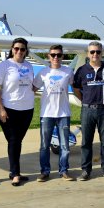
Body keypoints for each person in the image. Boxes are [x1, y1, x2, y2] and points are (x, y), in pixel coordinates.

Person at [73, 41, 104, 181]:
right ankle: (86, 170)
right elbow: (75, 89)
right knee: (86, 142)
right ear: (88, 54)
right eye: (92, 52)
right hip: (87, 110)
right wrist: (85, 100)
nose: (95, 54)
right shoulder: (82, 70)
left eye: (98, 52)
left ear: (101, 53)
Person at [0, 37, 34, 186]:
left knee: (17, 141)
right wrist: (1, 108)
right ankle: (15, 173)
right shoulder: (5, 65)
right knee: (14, 140)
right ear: (12, 49)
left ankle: (15, 171)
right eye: (16, 48)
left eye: (22, 49)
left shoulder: (29, 66)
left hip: (27, 109)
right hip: (9, 109)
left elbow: (31, 85)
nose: (19, 51)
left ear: (26, 51)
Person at [33, 44, 75, 182]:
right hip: (46, 113)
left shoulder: (68, 71)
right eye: (53, 55)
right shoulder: (43, 72)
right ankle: (45, 171)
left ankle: (64, 171)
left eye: (59, 55)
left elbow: (76, 87)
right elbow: (33, 88)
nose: (56, 57)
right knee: (44, 145)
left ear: (63, 56)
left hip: (63, 114)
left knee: (65, 146)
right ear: (48, 56)